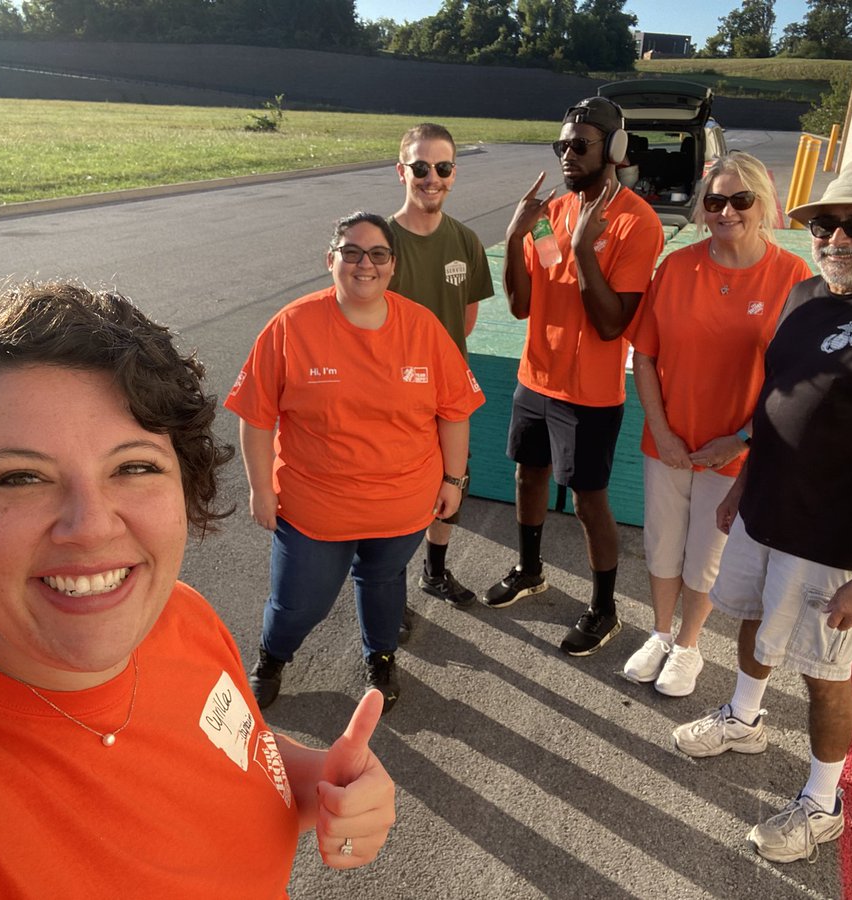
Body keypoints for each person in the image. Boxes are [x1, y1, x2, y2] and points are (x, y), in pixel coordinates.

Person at [0, 282, 397, 896]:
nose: (90, 526)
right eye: (21, 477)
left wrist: (316, 782)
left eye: (134, 467)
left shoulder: (179, 616)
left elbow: (234, 748)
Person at [672, 160, 852, 863]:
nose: (835, 237)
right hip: (765, 509)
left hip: (832, 543)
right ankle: (743, 718)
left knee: (823, 672)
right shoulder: (805, 295)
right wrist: (745, 483)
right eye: (825, 224)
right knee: (747, 618)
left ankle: (823, 801)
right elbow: (782, 402)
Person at [226, 212, 484, 714]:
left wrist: (454, 478)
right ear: (331, 261)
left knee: (384, 581)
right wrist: (260, 488)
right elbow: (255, 417)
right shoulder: (292, 326)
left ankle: (381, 657)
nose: (364, 263)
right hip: (314, 508)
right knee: (300, 603)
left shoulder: (423, 328)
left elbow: (455, 411)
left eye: (378, 254)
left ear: (392, 267)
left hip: (403, 505)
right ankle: (273, 657)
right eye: (351, 252)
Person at [621, 153, 810, 697]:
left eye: (740, 200)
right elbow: (646, 357)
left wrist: (743, 437)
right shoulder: (677, 269)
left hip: (734, 450)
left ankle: (688, 644)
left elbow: (796, 378)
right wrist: (661, 430)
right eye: (715, 201)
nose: (726, 211)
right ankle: (658, 633)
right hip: (668, 442)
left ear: (762, 205)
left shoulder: (792, 277)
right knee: (662, 542)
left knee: (706, 553)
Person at [485, 96, 663, 656]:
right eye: (561, 144)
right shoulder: (552, 212)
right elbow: (520, 305)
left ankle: (604, 608)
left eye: (579, 144)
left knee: (589, 502)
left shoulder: (638, 221)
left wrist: (586, 249)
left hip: (588, 394)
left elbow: (613, 326)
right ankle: (530, 569)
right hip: (534, 378)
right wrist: (515, 237)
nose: (567, 154)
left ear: (613, 150)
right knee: (527, 477)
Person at [388, 123, 495, 631]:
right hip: (389, 398)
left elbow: (465, 319)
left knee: (451, 486)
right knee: (392, 500)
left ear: (455, 173)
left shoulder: (466, 241)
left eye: (444, 168)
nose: (433, 178)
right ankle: (388, 589)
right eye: (421, 167)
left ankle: (434, 572)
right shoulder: (379, 243)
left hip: (447, 398)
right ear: (401, 171)